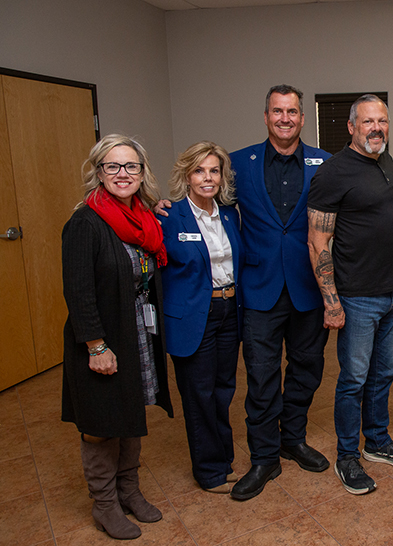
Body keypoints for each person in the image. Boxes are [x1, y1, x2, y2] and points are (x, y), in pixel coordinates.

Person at [62, 135, 172, 540]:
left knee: (130, 415)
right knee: (101, 425)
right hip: (102, 341)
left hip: (136, 335)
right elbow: (78, 291)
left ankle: (130, 491)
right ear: (98, 172)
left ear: (143, 173)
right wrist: (96, 346)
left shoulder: (143, 218)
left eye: (131, 167)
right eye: (113, 166)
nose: (123, 174)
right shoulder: (85, 223)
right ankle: (105, 503)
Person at [307, 94, 393, 495]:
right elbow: (318, 240)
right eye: (368, 121)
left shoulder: (385, 160)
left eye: (383, 121)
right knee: (353, 378)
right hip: (356, 296)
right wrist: (331, 301)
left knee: (383, 373)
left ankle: (378, 441)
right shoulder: (333, 172)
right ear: (351, 126)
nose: (376, 128)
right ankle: (347, 456)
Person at [227, 85, 332, 500]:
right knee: (262, 376)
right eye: (277, 111)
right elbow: (206, 203)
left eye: (292, 112)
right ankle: (264, 457)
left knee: (307, 370)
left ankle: (293, 438)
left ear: (303, 119)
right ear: (266, 116)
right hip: (260, 289)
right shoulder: (237, 164)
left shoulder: (323, 164)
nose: (285, 118)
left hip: (309, 287)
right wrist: (168, 209)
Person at [160, 142, 243, 494]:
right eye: (199, 171)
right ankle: (208, 472)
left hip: (229, 311)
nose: (207, 178)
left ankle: (223, 459)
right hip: (194, 316)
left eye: (213, 170)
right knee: (199, 393)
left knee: (224, 389)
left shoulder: (228, 214)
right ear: (186, 175)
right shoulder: (167, 216)